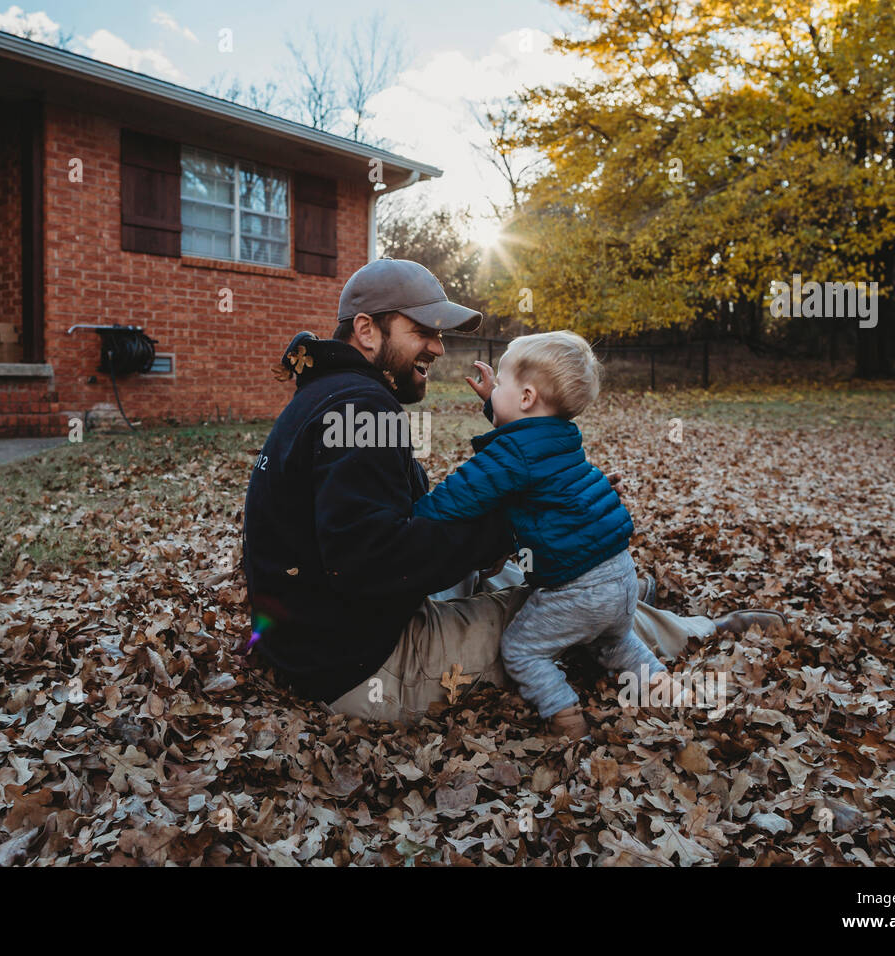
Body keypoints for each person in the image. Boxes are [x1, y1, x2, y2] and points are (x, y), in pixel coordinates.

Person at [242, 258, 784, 735]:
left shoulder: (329, 395)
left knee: (530, 579)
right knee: (555, 607)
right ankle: (689, 628)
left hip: (314, 639)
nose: (437, 345)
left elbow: (380, 531)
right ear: (366, 329)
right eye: (423, 330)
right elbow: (369, 562)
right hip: (365, 666)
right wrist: (501, 528)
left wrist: (498, 529)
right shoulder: (363, 410)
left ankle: (627, 598)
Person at [411, 331, 676, 737]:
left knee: (522, 650)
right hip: (621, 575)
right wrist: (493, 402)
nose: (494, 389)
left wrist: (415, 519)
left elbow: (461, 494)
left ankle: (565, 716)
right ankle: (667, 689)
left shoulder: (513, 455)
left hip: (579, 589)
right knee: (616, 645)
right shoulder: (561, 436)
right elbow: (524, 437)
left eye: (500, 383)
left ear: (527, 397)